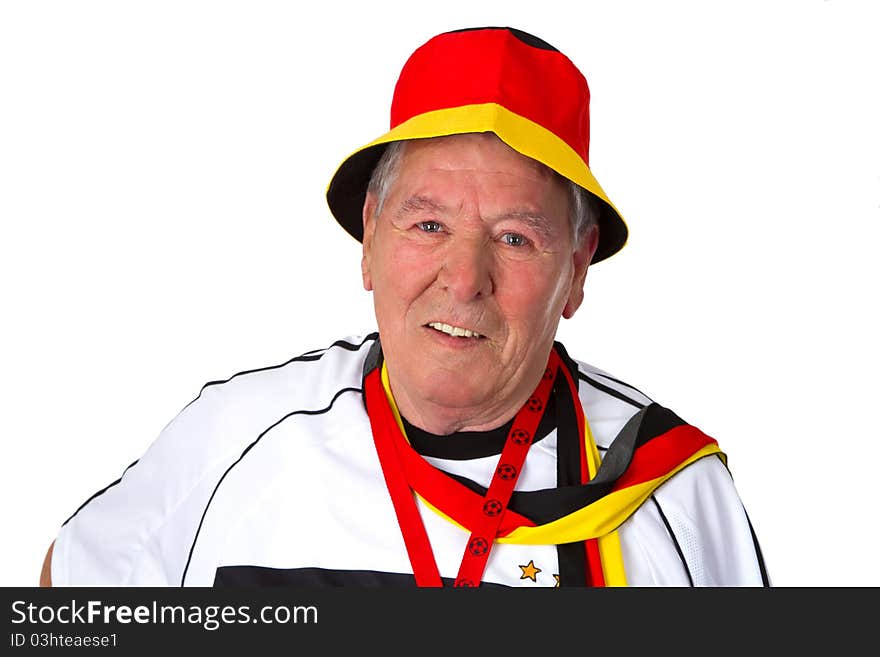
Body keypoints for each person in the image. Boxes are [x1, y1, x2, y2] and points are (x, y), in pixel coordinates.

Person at [41, 26, 769, 587]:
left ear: (575, 271)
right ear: (369, 238)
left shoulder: (671, 492)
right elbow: (66, 599)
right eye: (429, 225)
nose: (464, 279)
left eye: (515, 237)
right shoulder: (232, 442)